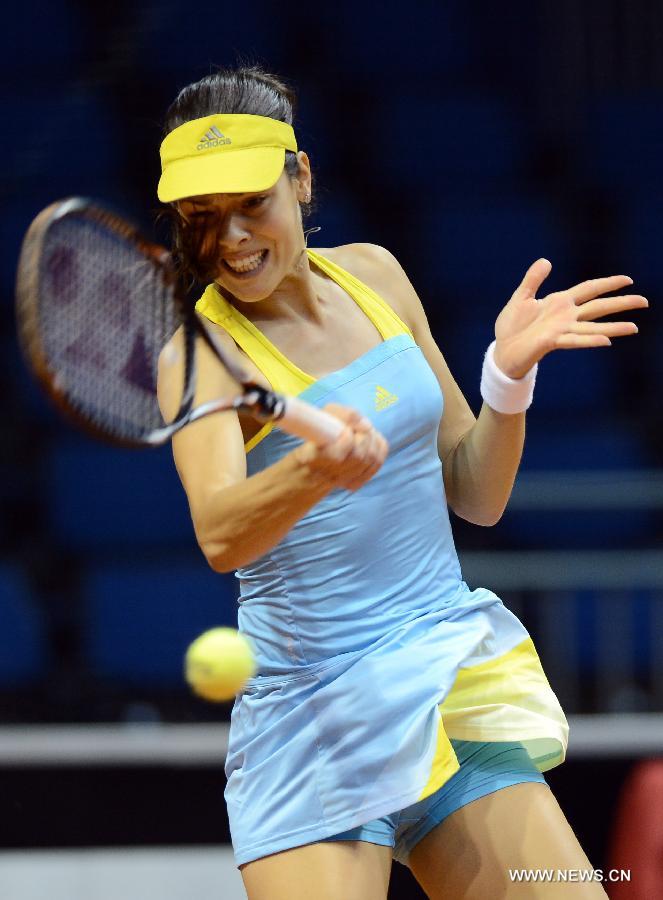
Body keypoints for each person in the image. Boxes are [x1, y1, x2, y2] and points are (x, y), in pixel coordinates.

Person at [156, 66, 647, 899]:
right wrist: (314, 469)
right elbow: (219, 533)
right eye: (200, 218)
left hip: (441, 679)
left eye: (250, 203)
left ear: (300, 177)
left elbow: (474, 491)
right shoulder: (200, 357)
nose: (229, 238)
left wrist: (506, 381)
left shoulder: (375, 276)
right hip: (315, 724)